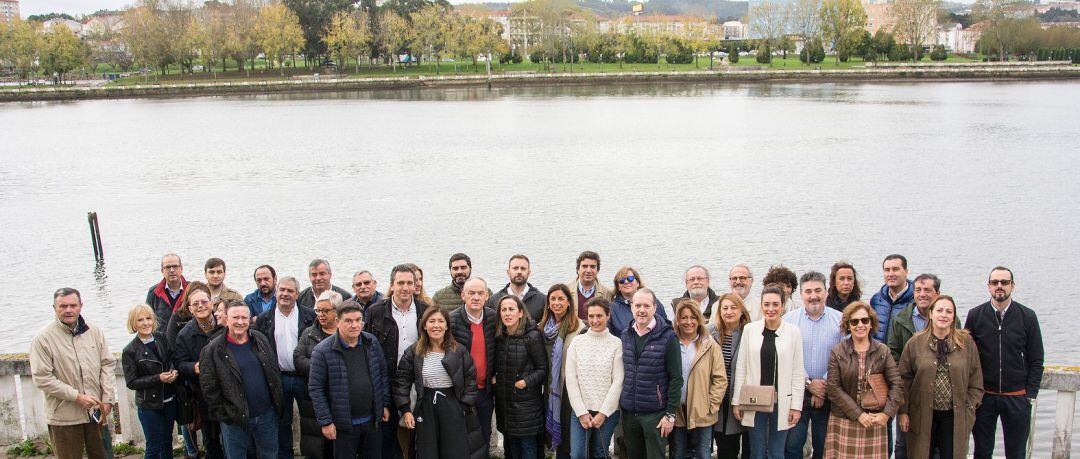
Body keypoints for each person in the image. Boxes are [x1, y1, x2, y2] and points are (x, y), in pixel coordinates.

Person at [965, 267, 1043, 459]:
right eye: (995, 282)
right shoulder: (975, 315)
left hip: (1017, 397)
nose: (999, 286)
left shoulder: (1027, 316)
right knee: (982, 452)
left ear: (1012, 286)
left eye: (1004, 282)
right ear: (989, 286)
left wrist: (1030, 395)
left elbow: (1036, 358)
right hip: (985, 397)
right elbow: (966, 357)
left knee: (1016, 453)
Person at [29, 287, 116, 459]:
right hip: (64, 417)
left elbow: (107, 364)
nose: (68, 310)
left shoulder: (95, 331)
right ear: (54, 308)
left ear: (80, 306)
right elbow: (42, 378)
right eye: (63, 306)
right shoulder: (43, 338)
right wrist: (77, 396)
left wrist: (108, 399)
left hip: (95, 413)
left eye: (73, 305)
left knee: (102, 455)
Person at [899, 296, 984, 459]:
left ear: (954, 317)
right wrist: (903, 411)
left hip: (954, 415)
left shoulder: (966, 343)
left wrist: (969, 409)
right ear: (930, 314)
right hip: (921, 414)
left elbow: (976, 381)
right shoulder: (915, 342)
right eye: (939, 310)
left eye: (948, 311)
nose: (943, 315)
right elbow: (903, 380)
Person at [201, 300, 285, 459]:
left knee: (270, 455)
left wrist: (275, 405)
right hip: (234, 419)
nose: (240, 322)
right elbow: (209, 388)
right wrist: (225, 416)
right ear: (226, 318)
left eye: (244, 318)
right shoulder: (212, 350)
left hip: (266, 415)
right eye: (235, 317)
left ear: (249, 319)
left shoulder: (259, 339)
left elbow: (273, 371)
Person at [308, 301, 391, 459]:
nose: (354, 325)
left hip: (372, 421)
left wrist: (385, 404)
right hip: (343, 425)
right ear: (338, 322)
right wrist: (326, 422)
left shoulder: (371, 342)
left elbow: (382, 375)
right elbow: (315, 388)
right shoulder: (322, 351)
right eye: (348, 321)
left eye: (358, 320)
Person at [395, 307, 480, 459]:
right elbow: (401, 382)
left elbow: (471, 381)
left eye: (441, 321)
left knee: (453, 450)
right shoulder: (414, 351)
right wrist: (406, 410)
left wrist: (464, 407)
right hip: (425, 405)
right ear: (424, 325)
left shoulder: (459, 351)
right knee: (427, 451)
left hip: (452, 404)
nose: (436, 325)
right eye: (431, 321)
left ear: (447, 326)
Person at [732, 285, 805, 459]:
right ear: (761, 306)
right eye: (766, 304)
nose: (770, 309)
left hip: (782, 401)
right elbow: (741, 367)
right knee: (756, 452)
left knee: (777, 453)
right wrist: (737, 401)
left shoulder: (793, 332)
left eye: (775, 304)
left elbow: (797, 372)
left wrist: (796, 406)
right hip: (754, 399)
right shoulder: (750, 330)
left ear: (783, 306)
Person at [823, 301, 903, 459]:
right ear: (848, 325)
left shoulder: (883, 351)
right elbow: (833, 388)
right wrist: (858, 414)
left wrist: (886, 414)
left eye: (865, 320)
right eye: (854, 321)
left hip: (875, 420)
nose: (860, 325)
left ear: (871, 323)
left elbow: (897, 385)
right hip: (844, 420)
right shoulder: (838, 351)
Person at [366, 264, 430, 459]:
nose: (405, 287)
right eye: (400, 283)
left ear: (415, 285)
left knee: (417, 430)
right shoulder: (375, 311)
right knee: (386, 431)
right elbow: (367, 346)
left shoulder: (425, 311)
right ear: (392, 285)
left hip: (415, 381)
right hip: (385, 379)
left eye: (409, 283)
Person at [782, 272, 844, 459]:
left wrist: (822, 385)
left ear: (826, 292)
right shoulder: (789, 321)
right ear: (801, 294)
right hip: (797, 393)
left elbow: (845, 357)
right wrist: (809, 383)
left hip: (829, 393)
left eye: (818, 290)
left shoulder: (840, 320)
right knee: (793, 446)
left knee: (824, 446)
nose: (813, 296)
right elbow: (786, 356)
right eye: (808, 291)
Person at [255, 276, 317, 459]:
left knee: (310, 421)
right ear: (276, 291)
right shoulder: (264, 319)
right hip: (278, 378)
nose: (285, 294)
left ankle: (311, 455)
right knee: (282, 422)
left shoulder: (310, 317)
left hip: (304, 376)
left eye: (290, 290)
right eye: (282, 289)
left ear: (297, 294)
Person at [619, 288, 682, 459]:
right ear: (631, 307)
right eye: (637, 305)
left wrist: (669, 415)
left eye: (646, 305)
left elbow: (676, 379)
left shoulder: (668, 337)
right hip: (630, 413)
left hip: (655, 414)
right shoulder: (626, 334)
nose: (641, 310)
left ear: (654, 308)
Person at [564, 297, 624, 459]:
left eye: (599, 316)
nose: (595, 320)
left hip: (607, 411)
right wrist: (581, 412)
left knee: (600, 452)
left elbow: (618, 381)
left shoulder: (616, 343)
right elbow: (571, 379)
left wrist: (603, 413)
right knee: (578, 454)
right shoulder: (577, 342)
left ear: (608, 316)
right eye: (591, 316)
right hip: (580, 410)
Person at [671, 299, 728, 459]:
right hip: (677, 410)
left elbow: (720, 379)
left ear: (699, 319)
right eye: (684, 317)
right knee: (678, 453)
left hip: (703, 410)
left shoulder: (709, 345)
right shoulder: (671, 343)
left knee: (703, 453)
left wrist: (712, 404)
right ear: (677, 320)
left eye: (693, 317)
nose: (688, 322)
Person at [494, 295, 549, 459]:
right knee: (511, 449)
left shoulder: (532, 336)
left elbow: (542, 369)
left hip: (527, 406)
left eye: (511, 309)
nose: (507, 313)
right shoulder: (500, 337)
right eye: (503, 310)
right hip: (505, 404)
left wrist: (525, 382)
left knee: (527, 448)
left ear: (520, 313)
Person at [122, 304, 180, 459]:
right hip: (149, 405)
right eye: (140, 320)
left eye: (148, 318)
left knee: (167, 442)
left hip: (168, 400)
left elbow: (171, 359)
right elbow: (132, 382)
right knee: (153, 445)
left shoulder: (161, 338)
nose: (145, 323)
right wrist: (158, 378)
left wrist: (174, 371)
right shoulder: (130, 350)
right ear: (133, 324)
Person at [174, 284, 225, 459]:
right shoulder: (185, 334)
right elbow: (179, 363)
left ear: (212, 304)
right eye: (195, 304)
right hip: (203, 393)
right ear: (190, 309)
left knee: (232, 436)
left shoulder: (224, 327)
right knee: (210, 439)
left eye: (204, 301)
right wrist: (192, 367)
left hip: (228, 390)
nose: (200, 306)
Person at [449, 278, 498, 457]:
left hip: (485, 390)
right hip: (461, 392)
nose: (476, 297)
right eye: (471, 293)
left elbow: (500, 348)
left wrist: (496, 374)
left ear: (486, 296)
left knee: (484, 434)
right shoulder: (452, 320)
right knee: (461, 436)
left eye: (480, 293)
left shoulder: (493, 317)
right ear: (463, 295)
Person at [295, 291, 344, 459]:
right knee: (316, 444)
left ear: (337, 311)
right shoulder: (309, 333)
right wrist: (323, 369)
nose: (321, 315)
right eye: (318, 311)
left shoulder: (345, 333)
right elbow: (298, 358)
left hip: (341, 396)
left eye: (325, 310)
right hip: (315, 396)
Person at [540, 284, 587, 459]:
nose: (556, 302)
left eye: (561, 298)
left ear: (569, 302)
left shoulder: (580, 329)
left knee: (568, 438)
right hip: (550, 389)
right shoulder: (542, 328)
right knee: (551, 434)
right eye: (553, 299)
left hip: (570, 390)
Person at [709, 293, 751, 459]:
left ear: (742, 311)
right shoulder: (711, 332)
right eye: (725, 308)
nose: (729, 312)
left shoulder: (750, 332)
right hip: (719, 402)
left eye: (734, 307)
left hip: (743, 400)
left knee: (750, 448)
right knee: (726, 450)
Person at [608, 266, 668, 338]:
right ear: (618, 287)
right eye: (622, 280)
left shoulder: (653, 302)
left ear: (638, 283)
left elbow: (666, 328)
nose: (626, 282)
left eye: (630, 279)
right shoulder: (612, 308)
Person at [870, 254, 914, 343]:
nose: (890, 274)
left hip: (903, 355)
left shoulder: (916, 300)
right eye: (887, 270)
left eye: (895, 269)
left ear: (906, 272)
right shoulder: (876, 300)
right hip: (879, 354)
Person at [489, 254, 545, 323]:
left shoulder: (542, 300)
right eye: (515, 268)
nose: (519, 272)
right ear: (508, 272)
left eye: (523, 268)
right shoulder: (494, 300)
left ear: (529, 273)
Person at [165, 281, 212, 348]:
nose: (200, 305)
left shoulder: (216, 316)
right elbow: (171, 343)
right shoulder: (178, 317)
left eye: (204, 301)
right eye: (196, 302)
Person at [147, 253, 189, 329]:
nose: (172, 270)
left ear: (181, 268)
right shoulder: (153, 292)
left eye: (175, 266)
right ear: (162, 271)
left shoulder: (192, 289)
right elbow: (147, 319)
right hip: (162, 338)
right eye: (168, 267)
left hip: (186, 338)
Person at [570, 251, 609, 320]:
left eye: (592, 267)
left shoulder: (607, 293)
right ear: (578, 269)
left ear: (598, 270)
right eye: (584, 266)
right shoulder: (566, 291)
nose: (588, 270)